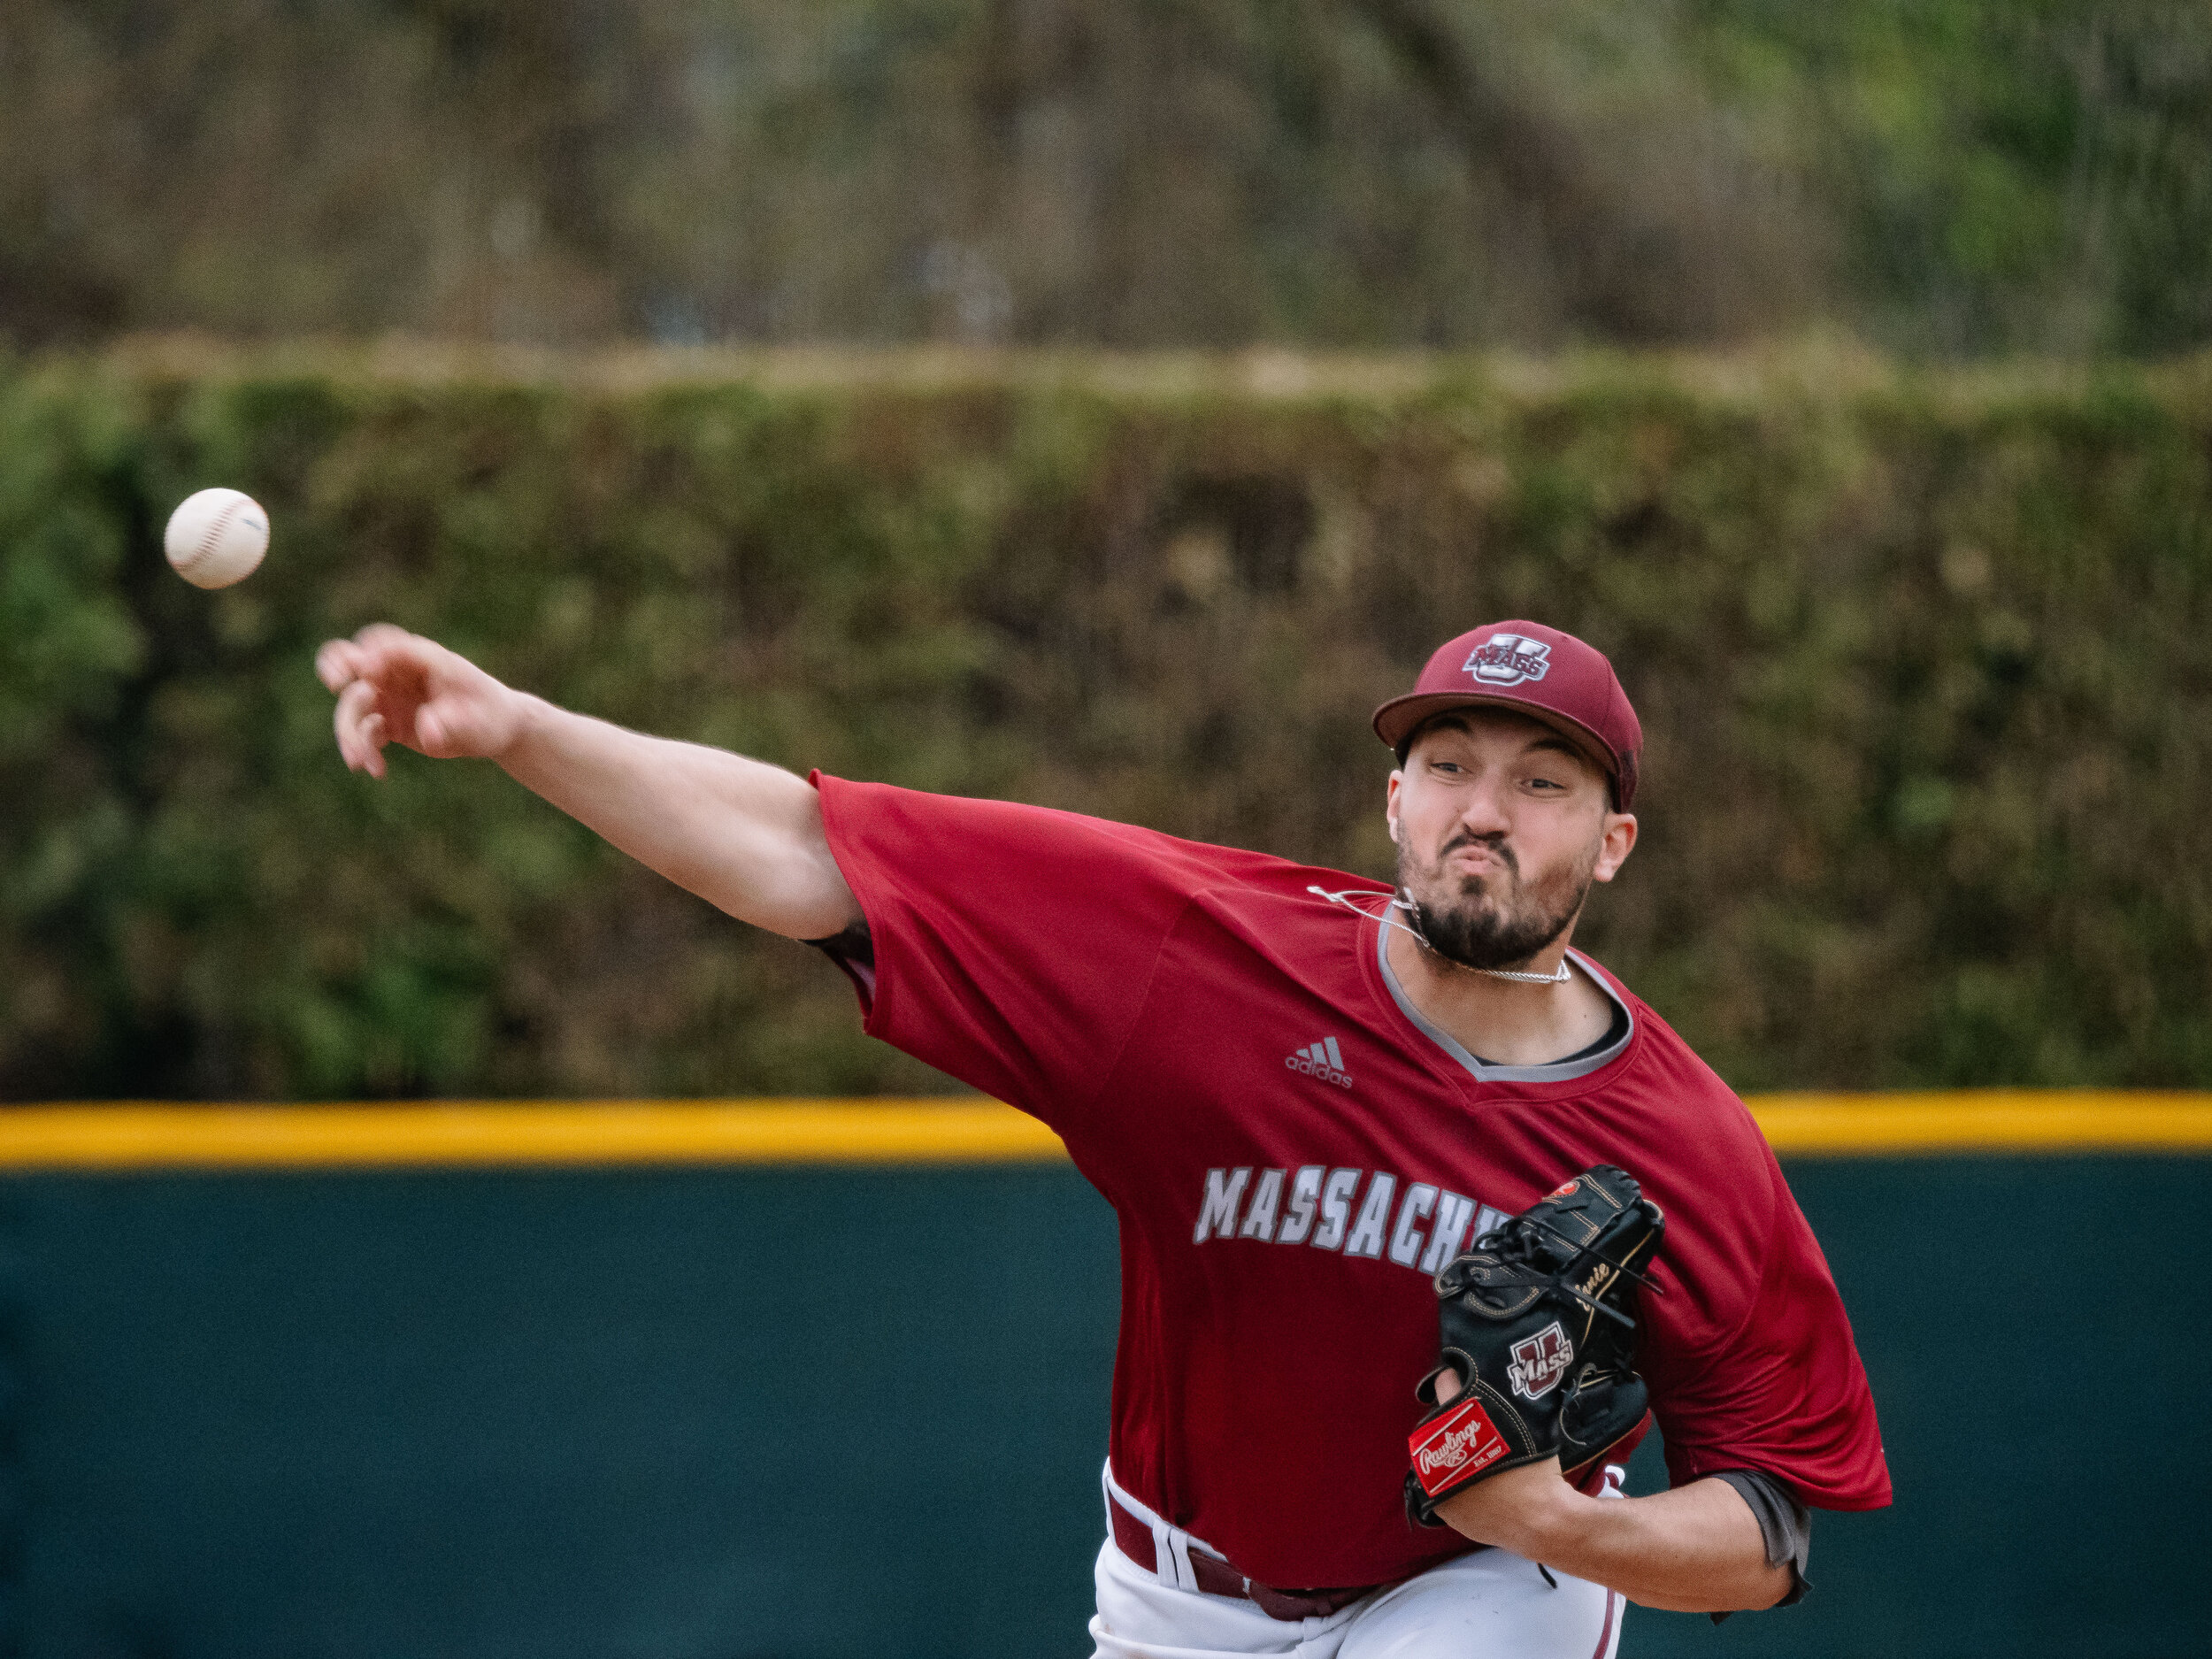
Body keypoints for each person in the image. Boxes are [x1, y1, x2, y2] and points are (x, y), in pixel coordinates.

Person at [318, 616, 1889, 1657]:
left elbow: (1770, 1525)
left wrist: (1544, 1518)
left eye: (1544, 782)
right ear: (1393, 801)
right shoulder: (1194, 957)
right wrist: (521, 728)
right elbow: (812, 851)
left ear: (1610, 843)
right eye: (1451, 766)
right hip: (1180, 1595)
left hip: (1483, 1586)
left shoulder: (1685, 1146)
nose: (1488, 807)